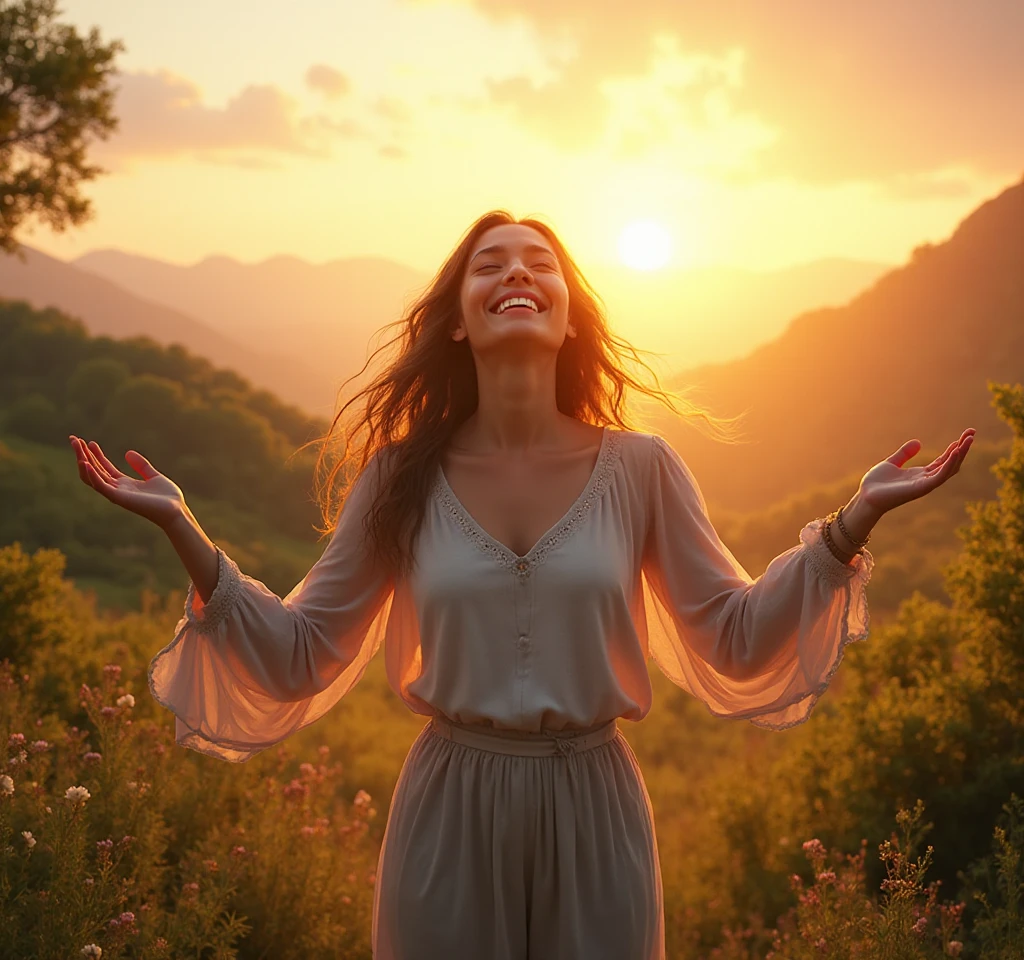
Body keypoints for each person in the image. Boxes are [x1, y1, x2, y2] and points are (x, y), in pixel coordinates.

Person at [69, 210, 975, 960]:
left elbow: (736, 636)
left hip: (597, 810)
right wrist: (182, 525)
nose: (518, 272)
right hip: (449, 811)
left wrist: (853, 521)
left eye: (542, 263)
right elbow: (299, 654)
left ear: (570, 313)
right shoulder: (398, 477)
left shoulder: (643, 469)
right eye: (489, 264)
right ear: (459, 317)